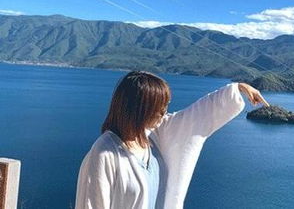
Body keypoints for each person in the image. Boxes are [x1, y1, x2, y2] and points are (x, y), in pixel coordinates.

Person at [75, 71, 269, 209]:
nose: (164, 112)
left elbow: (197, 115)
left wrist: (237, 89)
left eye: (166, 105)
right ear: (137, 108)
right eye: (157, 106)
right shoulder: (104, 154)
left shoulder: (153, 135)